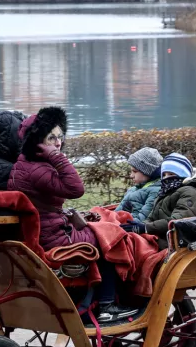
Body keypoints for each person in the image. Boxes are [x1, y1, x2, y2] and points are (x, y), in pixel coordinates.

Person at [8, 107, 137, 323]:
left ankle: (97, 299)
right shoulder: (38, 169)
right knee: (111, 240)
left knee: (104, 227)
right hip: (54, 236)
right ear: (37, 141)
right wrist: (57, 157)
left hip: (46, 229)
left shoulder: (25, 163)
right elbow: (76, 189)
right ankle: (107, 305)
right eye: (51, 138)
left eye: (60, 137)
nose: (58, 143)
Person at [121, 153, 196, 249]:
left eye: (171, 174)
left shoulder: (190, 192)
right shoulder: (166, 192)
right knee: (124, 238)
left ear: (183, 175)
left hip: (176, 241)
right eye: (164, 174)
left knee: (128, 246)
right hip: (159, 235)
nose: (167, 178)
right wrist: (140, 226)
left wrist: (146, 228)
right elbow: (152, 217)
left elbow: (178, 220)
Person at [114, 148, 163, 222]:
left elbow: (143, 219)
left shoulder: (156, 191)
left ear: (148, 171)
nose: (131, 176)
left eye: (135, 171)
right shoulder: (132, 189)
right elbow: (115, 214)